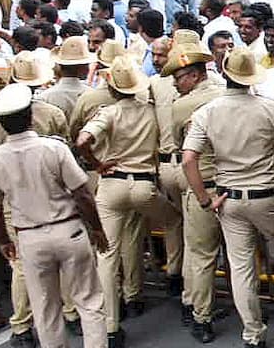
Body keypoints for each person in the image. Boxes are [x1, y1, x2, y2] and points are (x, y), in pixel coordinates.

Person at [182, 47, 274, 348]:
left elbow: (188, 159)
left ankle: (252, 332)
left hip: (229, 198)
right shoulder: (272, 107)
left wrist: (205, 199)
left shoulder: (208, 111)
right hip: (267, 195)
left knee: (241, 267)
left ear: (224, 73)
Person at [0, 84, 110, 348]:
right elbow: (81, 193)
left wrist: (4, 241)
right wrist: (96, 228)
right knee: (89, 302)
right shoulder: (54, 148)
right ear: (30, 116)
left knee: (45, 308)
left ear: (2, 124)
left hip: (29, 237)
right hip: (69, 229)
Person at [74, 53, 177, 347]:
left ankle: (110, 326)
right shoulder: (151, 111)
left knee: (107, 255)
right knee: (174, 221)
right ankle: (174, 273)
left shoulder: (109, 112)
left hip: (111, 186)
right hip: (144, 185)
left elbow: (82, 140)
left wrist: (96, 164)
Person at [163, 36, 224, 342]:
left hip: (203, 184)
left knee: (201, 255)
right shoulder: (228, 92)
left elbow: (179, 144)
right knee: (240, 259)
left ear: (195, 74)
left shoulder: (183, 105)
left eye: (179, 77)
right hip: (234, 184)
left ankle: (201, 316)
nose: (176, 84)